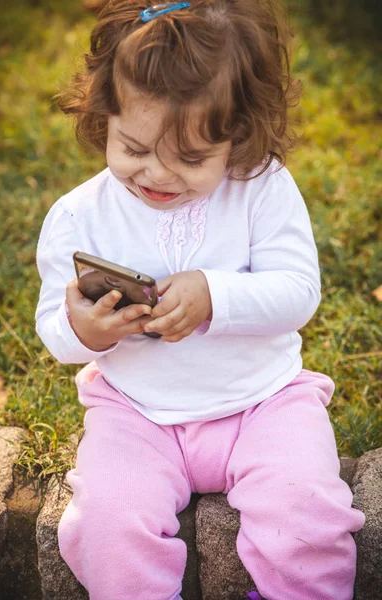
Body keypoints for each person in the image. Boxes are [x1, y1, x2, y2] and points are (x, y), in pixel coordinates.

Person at [35, 1, 365, 599]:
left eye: (189, 158)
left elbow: (298, 292)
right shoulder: (78, 217)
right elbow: (53, 329)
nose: (156, 174)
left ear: (238, 133)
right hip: (136, 413)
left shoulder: (261, 188)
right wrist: (85, 329)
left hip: (263, 403)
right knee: (108, 524)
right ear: (104, 116)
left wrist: (215, 295)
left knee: (306, 515)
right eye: (133, 148)